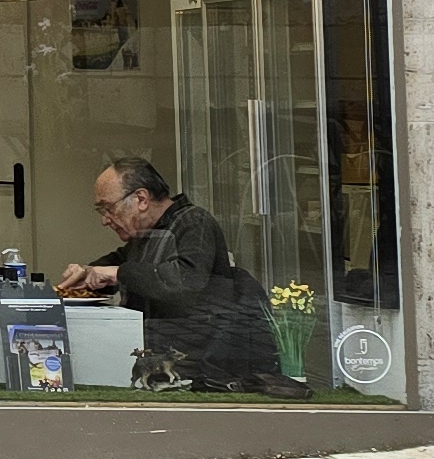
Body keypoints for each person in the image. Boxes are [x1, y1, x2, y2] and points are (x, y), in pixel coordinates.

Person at [55, 154, 307, 395]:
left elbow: (185, 281)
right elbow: (121, 263)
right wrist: (88, 273)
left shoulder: (194, 223)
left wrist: (118, 273)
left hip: (197, 370)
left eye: (108, 208)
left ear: (141, 198)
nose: (105, 220)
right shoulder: (148, 234)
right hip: (158, 362)